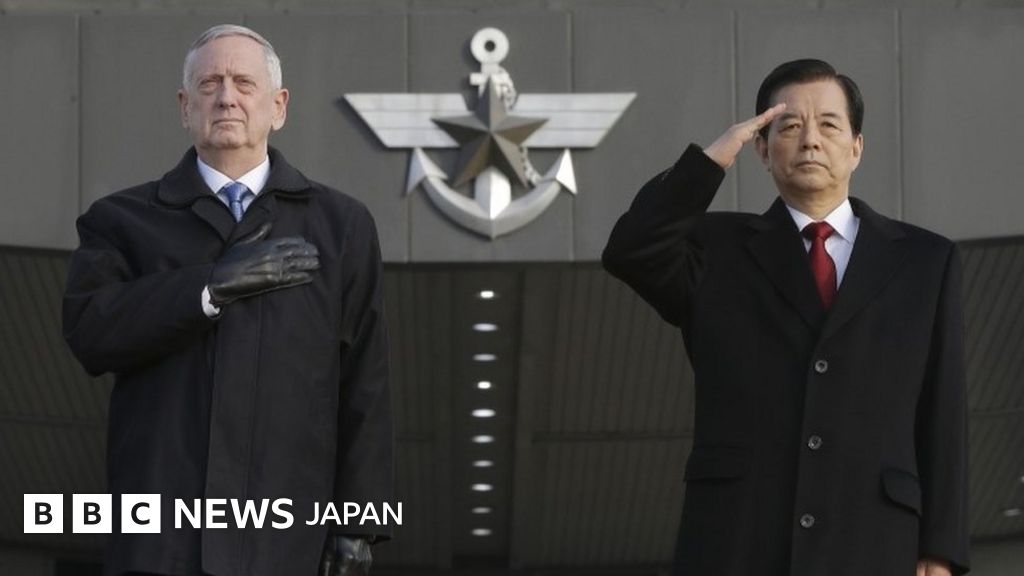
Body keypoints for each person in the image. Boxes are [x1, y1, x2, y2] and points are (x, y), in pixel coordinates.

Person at [602, 59, 968, 576]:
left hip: (875, 539)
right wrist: (710, 161)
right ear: (761, 148)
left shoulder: (925, 260)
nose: (810, 140)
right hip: (738, 538)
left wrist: (940, 548)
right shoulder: (713, 250)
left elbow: (943, 411)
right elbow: (630, 250)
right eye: (790, 126)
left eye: (829, 125)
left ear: (857, 147)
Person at [63, 25, 392, 576]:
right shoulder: (120, 221)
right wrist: (208, 288)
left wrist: (359, 522)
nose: (226, 97)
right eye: (209, 83)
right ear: (184, 106)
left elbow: (365, 380)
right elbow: (89, 331)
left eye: (244, 82)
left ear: (278, 106)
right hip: (162, 544)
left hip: (286, 542)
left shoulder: (343, 226)